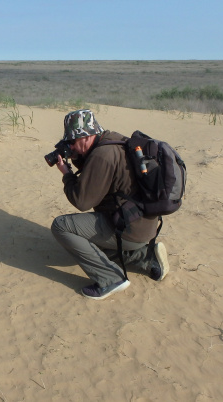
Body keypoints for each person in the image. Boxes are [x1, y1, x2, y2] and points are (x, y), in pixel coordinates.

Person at [50, 109, 169, 300]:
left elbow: (82, 201)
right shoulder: (113, 140)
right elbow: (101, 173)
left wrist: (67, 174)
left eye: (72, 141)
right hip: (143, 224)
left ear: (86, 136)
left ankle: (110, 279)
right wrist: (76, 155)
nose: (71, 145)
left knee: (61, 226)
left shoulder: (102, 155)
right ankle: (145, 258)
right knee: (91, 246)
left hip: (127, 229)